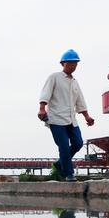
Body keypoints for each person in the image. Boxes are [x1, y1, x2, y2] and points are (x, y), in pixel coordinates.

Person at [38, 49, 95, 181]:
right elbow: (45, 93)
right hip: (56, 119)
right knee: (63, 146)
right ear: (63, 63)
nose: (73, 66)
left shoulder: (75, 82)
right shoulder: (54, 77)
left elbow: (80, 100)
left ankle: (59, 164)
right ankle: (69, 174)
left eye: (75, 63)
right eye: (70, 63)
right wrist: (42, 108)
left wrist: (87, 116)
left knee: (78, 143)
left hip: (71, 119)